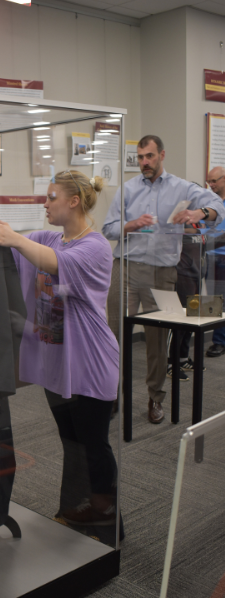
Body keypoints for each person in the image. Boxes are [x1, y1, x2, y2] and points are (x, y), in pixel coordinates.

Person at [0, 170, 120, 529]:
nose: (45, 203)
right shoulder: (49, 239)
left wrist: (15, 239)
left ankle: (106, 515)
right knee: (71, 442)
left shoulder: (95, 247)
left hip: (89, 362)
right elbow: (14, 248)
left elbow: (53, 263)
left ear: (73, 201)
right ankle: (78, 508)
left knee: (93, 443)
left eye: (50, 197)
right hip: (59, 364)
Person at [103, 135, 225, 424]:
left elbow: (218, 207)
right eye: (140, 157)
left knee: (157, 342)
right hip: (126, 268)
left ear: (162, 155)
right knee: (114, 336)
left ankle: (155, 398)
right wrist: (131, 224)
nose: (144, 162)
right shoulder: (128, 189)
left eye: (149, 156)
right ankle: (111, 395)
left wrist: (200, 212)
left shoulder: (183, 187)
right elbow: (108, 228)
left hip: (162, 273)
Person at [204, 166, 225, 358]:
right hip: (211, 255)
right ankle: (219, 340)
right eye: (209, 181)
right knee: (215, 300)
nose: (211, 185)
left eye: (214, 181)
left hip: (223, 256)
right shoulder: (211, 203)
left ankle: (219, 341)